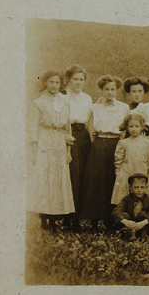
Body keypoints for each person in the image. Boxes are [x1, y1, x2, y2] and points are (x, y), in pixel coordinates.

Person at [77, 74, 127, 230]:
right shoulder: (95, 107)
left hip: (116, 144)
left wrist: (119, 143)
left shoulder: (123, 107)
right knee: (97, 181)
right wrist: (98, 144)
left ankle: (110, 219)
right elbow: (90, 128)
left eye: (113, 89)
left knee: (113, 181)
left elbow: (125, 129)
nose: (110, 92)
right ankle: (94, 219)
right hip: (99, 144)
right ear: (102, 90)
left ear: (117, 91)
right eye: (107, 89)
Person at [29, 70, 75, 230]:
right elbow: (33, 128)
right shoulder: (38, 103)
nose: (54, 85)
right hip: (45, 140)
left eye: (57, 82)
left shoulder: (64, 102)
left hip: (60, 142)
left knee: (58, 179)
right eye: (51, 82)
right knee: (45, 179)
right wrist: (34, 149)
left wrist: (68, 151)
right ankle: (44, 219)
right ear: (45, 83)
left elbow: (68, 128)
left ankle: (55, 219)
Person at [61, 65, 92, 229]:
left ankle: (78, 217)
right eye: (75, 79)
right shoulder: (62, 97)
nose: (79, 82)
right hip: (69, 135)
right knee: (72, 175)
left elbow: (89, 121)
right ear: (68, 80)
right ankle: (68, 217)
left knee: (83, 176)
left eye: (81, 79)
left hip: (84, 137)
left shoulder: (87, 98)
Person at [111, 112, 149, 205]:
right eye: (131, 126)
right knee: (126, 196)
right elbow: (118, 160)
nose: (134, 129)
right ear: (127, 128)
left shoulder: (147, 143)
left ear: (142, 127)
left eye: (136, 126)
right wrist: (118, 174)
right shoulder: (123, 143)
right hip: (127, 172)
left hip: (142, 171)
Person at [111, 173, 149, 238]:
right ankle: (131, 235)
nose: (139, 190)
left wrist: (143, 223)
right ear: (130, 188)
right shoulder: (127, 199)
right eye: (136, 187)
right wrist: (126, 222)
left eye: (142, 187)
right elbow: (116, 211)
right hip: (130, 225)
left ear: (146, 187)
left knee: (143, 214)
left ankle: (143, 236)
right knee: (124, 215)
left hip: (142, 226)